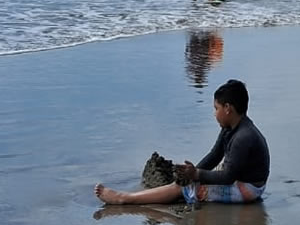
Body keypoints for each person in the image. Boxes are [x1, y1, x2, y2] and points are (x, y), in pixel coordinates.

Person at [95, 79, 269, 206]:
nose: (214, 113)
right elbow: (215, 155)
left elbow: (227, 177)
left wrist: (196, 176)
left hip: (249, 189)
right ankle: (154, 193)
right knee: (185, 184)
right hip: (238, 179)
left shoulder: (243, 137)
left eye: (216, 108)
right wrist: (191, 175)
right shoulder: (230, 128)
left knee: (183, 190)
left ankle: (124, 198)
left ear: (228, 108)